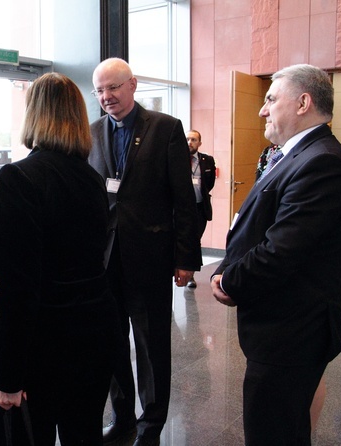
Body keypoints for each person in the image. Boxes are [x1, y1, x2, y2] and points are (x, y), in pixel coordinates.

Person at [210, 64, 341, 445]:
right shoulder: (293, 154)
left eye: (271, 99)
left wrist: (229, 280)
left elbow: (281, 250)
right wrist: (227, 265)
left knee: (272, 433)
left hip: (292, 332)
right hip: (281, 326)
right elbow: (256, 223)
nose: (262, 110)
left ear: (304, 102)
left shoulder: (321, 161)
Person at [0, 73, 122, 445]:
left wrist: (8, 377)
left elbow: (18, 289)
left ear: (34, 114)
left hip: (45, 344)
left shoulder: (18, 178)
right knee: (83, 435)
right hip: (95, 333)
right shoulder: (91, 179)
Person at [88, 57, 203, 446]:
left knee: (152, 346)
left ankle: (151, 426)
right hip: (104, 260)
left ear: (132, 85)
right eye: (100, 90)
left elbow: (183, 199)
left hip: (150, 256)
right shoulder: (90, 133)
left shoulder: (165, 128)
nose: (106, 97)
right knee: (111, 342)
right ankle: (122, 418)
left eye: (113, 88)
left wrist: (186, 257)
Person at [185, 129, 216, 288]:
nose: (190, 142)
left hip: (199, 208)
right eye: (188, 139)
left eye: (194, 140)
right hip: (182, 209)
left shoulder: (207, 160)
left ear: (200, 143)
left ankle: (191, 274)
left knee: (195, 241)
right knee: (182, 240)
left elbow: (209, 183)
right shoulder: (177, 159)